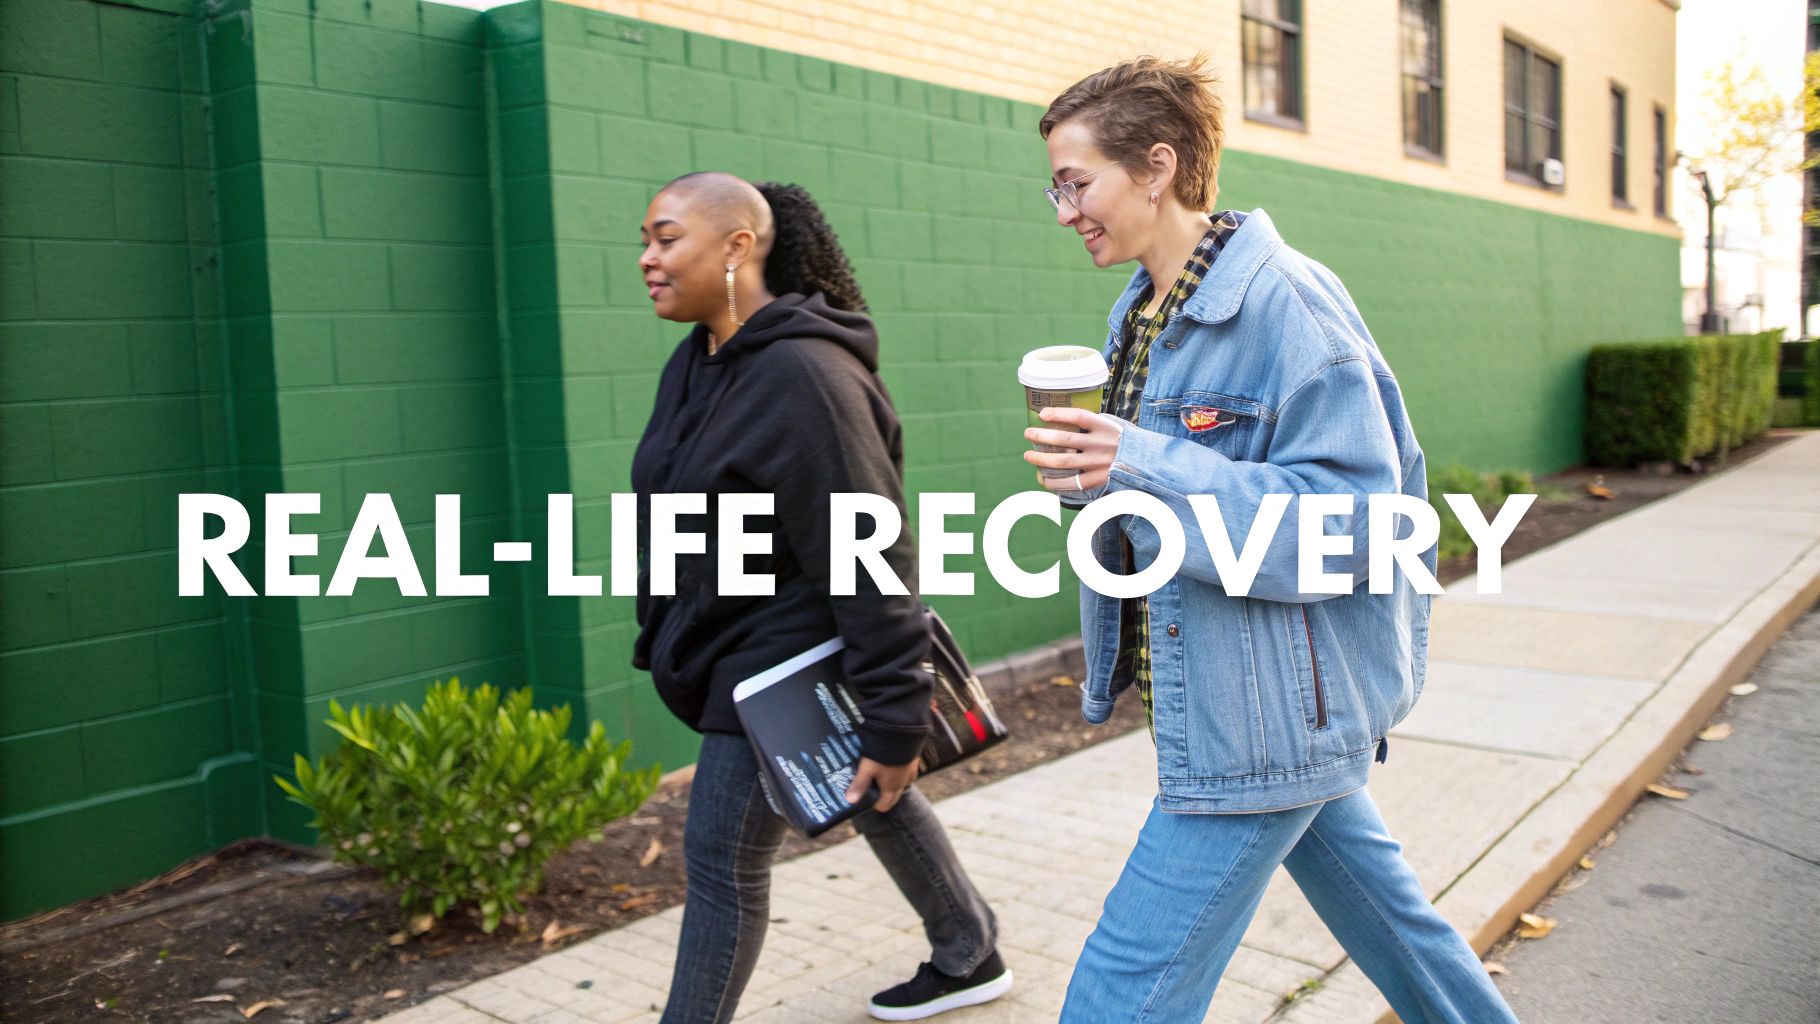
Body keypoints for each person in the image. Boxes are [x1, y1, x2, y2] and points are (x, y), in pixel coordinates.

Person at [1022, 57, 1522, 1023]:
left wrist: (1140, 463)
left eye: (1076, 182)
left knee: (1122, 991)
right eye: (1058, 186)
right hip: (1239, 695)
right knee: (1406, 943)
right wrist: (1093, 483)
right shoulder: (1140, 311)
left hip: (1260, 721)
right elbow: (1164, 507)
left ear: (1157, 166)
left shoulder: (1287, 303)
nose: (1063, 208)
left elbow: (1353, 524)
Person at [629, 172, 1012, 1023]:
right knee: (872, 788)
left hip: (781, 662)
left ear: (739, 246)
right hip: (735, 641)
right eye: (646, 243)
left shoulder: (806, 374)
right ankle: (969, 949)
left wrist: (895, 712)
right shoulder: (700, 361)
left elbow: (870, 551)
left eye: (665, 238)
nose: (648, 260)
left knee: (724, 866)